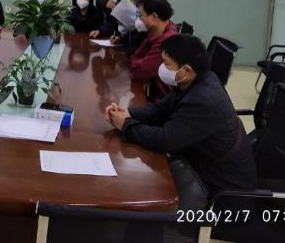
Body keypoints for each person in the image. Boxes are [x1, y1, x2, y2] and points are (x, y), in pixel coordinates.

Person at [105, 35, 257, 208]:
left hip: (221, 193)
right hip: (199, 166)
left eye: (167, 64)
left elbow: (164, 140)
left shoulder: (203, 100)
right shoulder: (195, 80)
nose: (162, 68)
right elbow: (161, 109)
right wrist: (128, 113)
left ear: (186, 70)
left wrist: (126, 125)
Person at [127, 0, 177, 101]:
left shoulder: (167, 40)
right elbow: (134, 57)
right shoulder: (154, 33)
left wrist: (144, 71)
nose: (139, 19)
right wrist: (145, 72)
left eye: (141, 15)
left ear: (154, 16)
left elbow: (141, 71)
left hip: (161, 100)